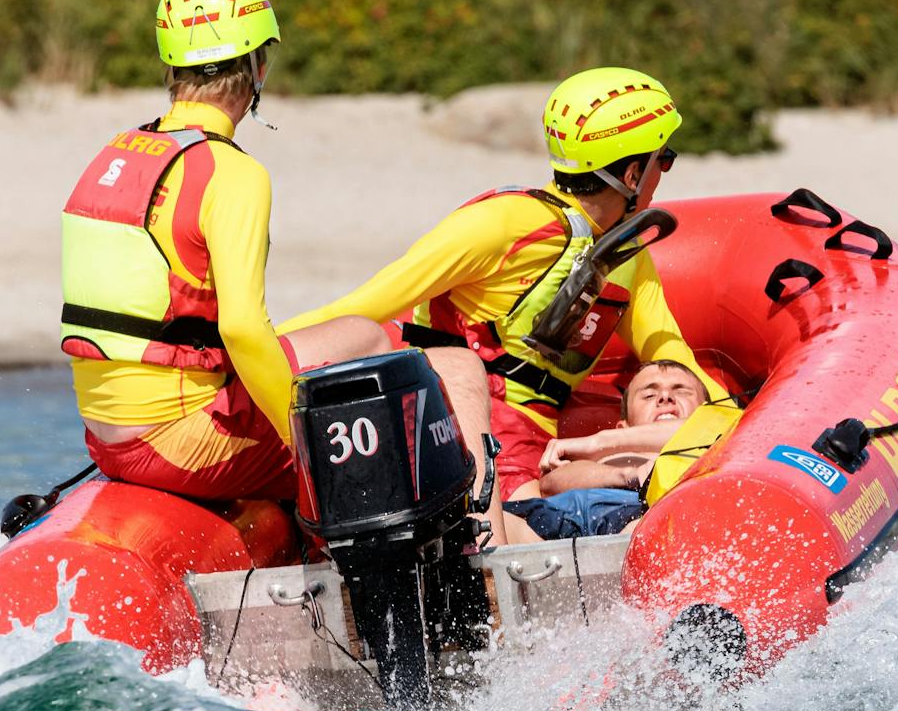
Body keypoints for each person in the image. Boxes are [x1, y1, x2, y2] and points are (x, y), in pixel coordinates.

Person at [280, 66, 727, 515]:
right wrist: (246, 351)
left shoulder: (628, 254)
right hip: (465, 422)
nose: (664, 171)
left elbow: (669, 352)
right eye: (663, 160)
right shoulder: (504, 223)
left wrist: (739, 421)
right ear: (633, 174)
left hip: (535, 444)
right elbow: (364, 305)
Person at [58, 0, 392, 502]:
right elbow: (240, 328)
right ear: (258, 67)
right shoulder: (232, 173)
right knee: (372, 340)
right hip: (176, 441)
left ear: (172, 64)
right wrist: (303, 443)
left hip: (104, 436)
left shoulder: (115, 153)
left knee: (336, 338)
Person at [502, 360, 706, 542]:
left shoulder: (722, 436)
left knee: (646, 529)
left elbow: (703, 428)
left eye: (682, 391)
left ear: (708, 409)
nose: (665, 397)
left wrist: (599, 442)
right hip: (569, 515)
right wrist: (630, 475)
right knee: (487, 525)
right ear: (623, 427)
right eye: (649, 395)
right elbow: (549, 484)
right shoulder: (607, 456)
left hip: (647, 519)